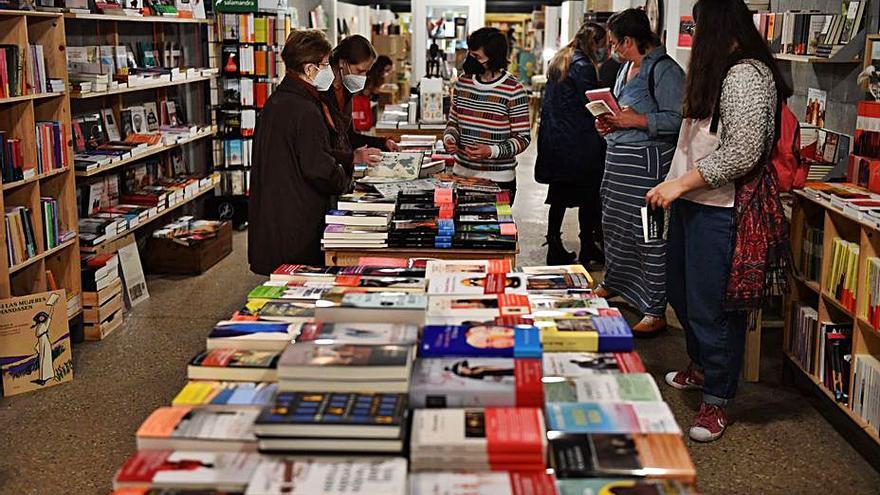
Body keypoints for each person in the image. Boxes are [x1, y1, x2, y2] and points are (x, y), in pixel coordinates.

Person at [646, 0, 791, 442]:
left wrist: (681, 184)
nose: (692, 33)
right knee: (681, 293)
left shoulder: (747, 73)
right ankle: (701, 365)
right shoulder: (717, 69)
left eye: (697, 24)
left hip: (721, 209)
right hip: (694, 200)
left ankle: (718, 400)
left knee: (713, 308)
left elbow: (744, 151)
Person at [594, 9, 684, 334]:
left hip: (647, 169)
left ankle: (654, 307)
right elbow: (622, 111)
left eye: (616, 43)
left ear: (629, 40)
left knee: (650, 233)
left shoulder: (665, 70)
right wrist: (608, 123)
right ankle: (616, 281)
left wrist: (637, 121)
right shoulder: (626, 69)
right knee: (615, 225)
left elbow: (678, 120)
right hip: (619, 164)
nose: (613, 49)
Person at [248, 30, 352, 274]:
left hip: (276, 215)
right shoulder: (305, 109)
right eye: (325, 65)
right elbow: (317, 167)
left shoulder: (277, 102)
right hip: (299, 220)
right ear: (309, 69)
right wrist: (344, 179)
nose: (329, 71)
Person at [535, 22, 608, 266]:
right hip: (579, 141)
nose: (605, 51)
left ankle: (554, 244)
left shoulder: (561, 60)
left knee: (558, 195)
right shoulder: (583, 66)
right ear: (594, 43)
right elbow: (591, 103)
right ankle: (588, 247)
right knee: (589, 196)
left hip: (556, 139)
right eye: (603, 45)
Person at [444, 27, 531, 202]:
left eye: (477, 57)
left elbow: (523, 138)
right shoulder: (462, 83)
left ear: (494, 58)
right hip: (461, 175)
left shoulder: (514, 90)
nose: (470, 60)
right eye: (470, 54)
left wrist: (491, 151)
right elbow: (453, 123)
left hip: (499, 181)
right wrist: (449, 138)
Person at [321, 34, 398, 171]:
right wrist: (352, 157)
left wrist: (383, 142)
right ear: (342, 63)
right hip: (327, 173)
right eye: (360, 71)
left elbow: (348, 137)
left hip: (340, 173)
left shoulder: (345, 91)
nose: (363, 77)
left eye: (366, 72)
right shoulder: (322, 93)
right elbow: (320, 150)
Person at [352, 55, 393, 131]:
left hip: (370, 103)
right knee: (364, 123)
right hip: (364, 102)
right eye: (386, 70)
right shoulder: (371, 75)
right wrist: (376, 90)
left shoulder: (377, 76)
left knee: (368, 123)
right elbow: (366, 92)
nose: (387, 73)